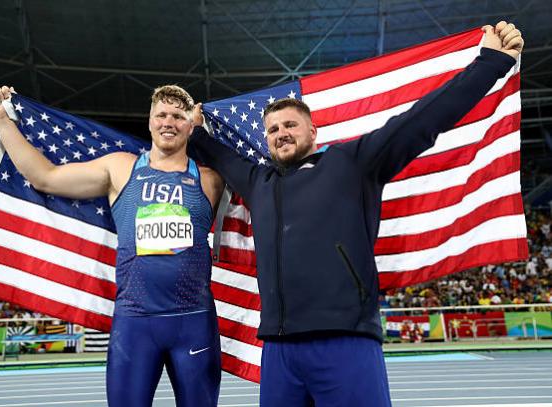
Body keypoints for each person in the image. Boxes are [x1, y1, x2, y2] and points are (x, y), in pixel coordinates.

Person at [190, 22, 524, 406]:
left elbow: (424, 119)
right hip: (279, 351)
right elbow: (219, 155)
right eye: (272, 129)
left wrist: (492, 63)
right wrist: (197, 131)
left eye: (290, 125)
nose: (281, 133)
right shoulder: (259, 182)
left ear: (313, 131)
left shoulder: (353, 162)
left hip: (345, 341)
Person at [0, 85, 224, 407]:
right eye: (161, 115)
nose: (169, 122)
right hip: (135, 323)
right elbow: (46, 177)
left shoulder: (210, 179)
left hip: (195, 322)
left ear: (190, 125)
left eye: (179, 116)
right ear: (150, 121)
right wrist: (2, 120)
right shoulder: (121, 168)